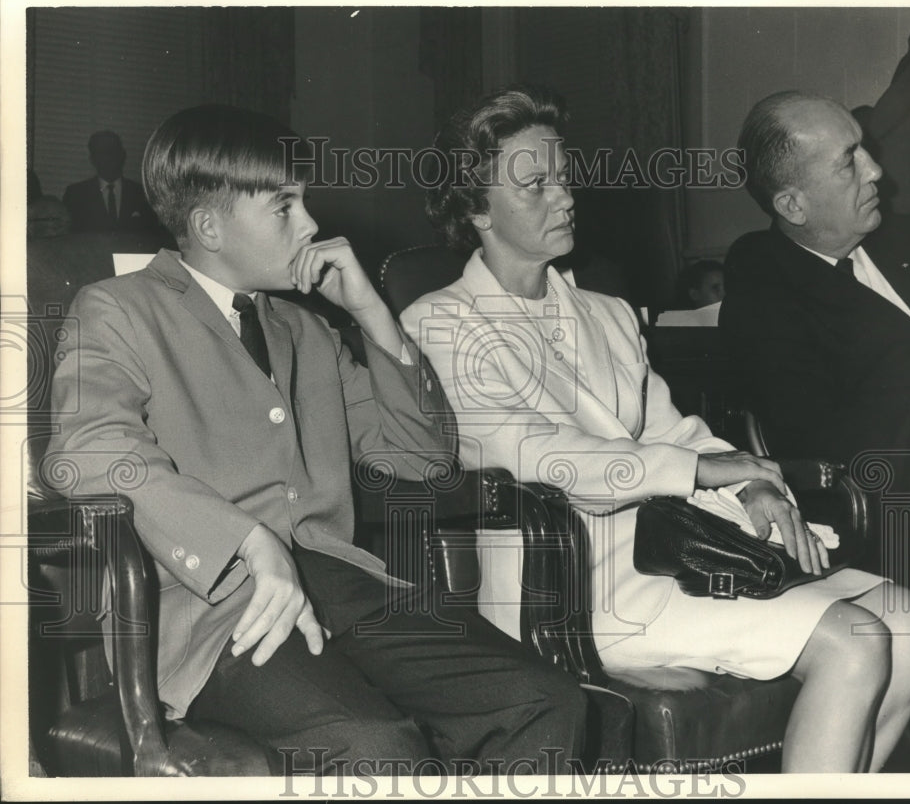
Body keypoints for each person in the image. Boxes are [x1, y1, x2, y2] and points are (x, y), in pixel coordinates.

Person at [401, 85, 910, 773]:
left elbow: (675, 430)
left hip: (676, 552)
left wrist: (749, 485)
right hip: (569, 580)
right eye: (535, 185)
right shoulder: (438, 324)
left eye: (563, 178)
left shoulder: (609, 313)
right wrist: (697, 472)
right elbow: (536, 455)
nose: (564, 197)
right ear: (475, 208)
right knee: (857, 637)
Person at [43, 104, 586, 776]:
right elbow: (87, 454)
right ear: (210, 225)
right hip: (215, 616)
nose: (311, 224)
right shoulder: (118, 309)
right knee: (377, 749)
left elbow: (421, 457)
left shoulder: (306, 331)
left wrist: (369, 312)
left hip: (344, 591)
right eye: (285, 206)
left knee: (547, 701)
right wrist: (245, 538)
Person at [718, 91, 910, 613]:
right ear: (793, 204)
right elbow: (838, 443)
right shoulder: (766, 282)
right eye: (848, 163)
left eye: (865, 149)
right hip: (906, 515)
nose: (876, 170)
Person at [62, 130, 160, 233]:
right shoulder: (76, 194)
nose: (108, 157)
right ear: (92, 159)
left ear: (122, 155)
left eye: (113, 150)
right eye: (101, 152)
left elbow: (153, 235)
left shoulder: (142, 194)